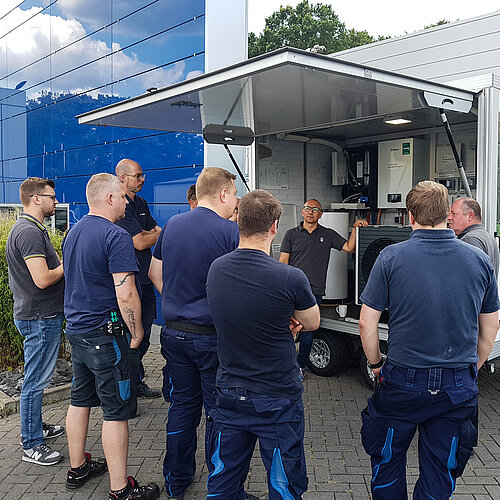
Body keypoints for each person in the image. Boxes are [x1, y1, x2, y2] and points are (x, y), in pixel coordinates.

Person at [359, 181, 500, 499]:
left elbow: (367, 323)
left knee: (387, 460)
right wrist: (470, 367)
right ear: (446, 215)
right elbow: (490, 328)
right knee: (441, 469)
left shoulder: (390, 257)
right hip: (456, 388)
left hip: (401, 383)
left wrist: (376, 365)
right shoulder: (479, 261)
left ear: (411, 215)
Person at [206, 189, 320, 500]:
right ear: (274, 227)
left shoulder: (217, 269)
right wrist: (288, 316)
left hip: (229, 393)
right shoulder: (290, 277)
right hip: (277, 398)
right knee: (283, 485)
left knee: (222, 480)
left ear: (238, 220)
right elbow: (311, 323)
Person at [62, 173, 159, 500]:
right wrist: (138, 330)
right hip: (106, 336)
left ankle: (78, 468)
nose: (126, 201)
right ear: (108, 199)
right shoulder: (115, 235)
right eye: (121, 196)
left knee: (79, 400)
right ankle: (121, 489)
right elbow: (126, 291)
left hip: (76, 333)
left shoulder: (73, 232)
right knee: (116, 411)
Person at [149, 167, 239, 499]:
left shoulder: (171, 225)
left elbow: (154, 270)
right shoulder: (231, 232)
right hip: (213, 337)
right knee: (219, 412)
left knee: (183, 407)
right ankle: (220, 485)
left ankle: (176, 480)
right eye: (234, 193)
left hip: (173, 334)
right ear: (224, 193)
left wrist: (173, 298)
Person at [6, 177, 65, 466]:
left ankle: (35, 427)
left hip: (39, 315)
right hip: (40, 317)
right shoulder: (28, 232)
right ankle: (31, 444)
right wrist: (69, 264)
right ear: (36, 198)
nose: (55, 201)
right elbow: (42, 279)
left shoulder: (30, 228)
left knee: (37, 378)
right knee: (35, 381)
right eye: (52, 197)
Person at [279, 199, 368, 379]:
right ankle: (284, 365)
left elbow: (349, 248)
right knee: (286, 328)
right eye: (307, 208)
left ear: (321, 214)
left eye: (315, 209)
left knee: (307, 331)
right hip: (291, 290)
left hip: (314, 291)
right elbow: (283, 263)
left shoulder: (328, 234)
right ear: (302, 212)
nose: (310, 212)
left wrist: (356, 228)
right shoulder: (291, 234)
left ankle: (300, 366)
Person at [115, 159, 162, 398]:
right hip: (130, 282)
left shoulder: (141, 202)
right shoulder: (120, 207)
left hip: (146, 280)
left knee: (143, 336)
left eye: (142, 176)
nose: (142, 180)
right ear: (123, 178)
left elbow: (156, 231)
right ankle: (127, 389)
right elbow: (141, 241)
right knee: (132, 337)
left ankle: (137, 381)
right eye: (138, 176)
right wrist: (149, 234)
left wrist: (149, 234)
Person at [448, 197, 499, 277]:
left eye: (453, 213)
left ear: (470, 216)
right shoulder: (487, 236)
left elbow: (470, 279)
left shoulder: (470, 240)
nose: (449, 217)